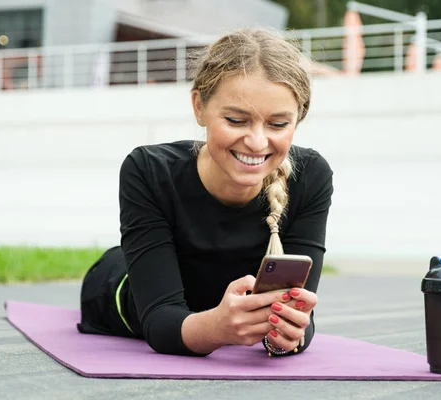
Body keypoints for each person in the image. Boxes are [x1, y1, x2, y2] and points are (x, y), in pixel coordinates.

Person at [77, 28, 334, 358]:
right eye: (235, 120)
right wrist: (217, 328)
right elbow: (160, 322)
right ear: (199, 106)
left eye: (278, 124)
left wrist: (286, 335)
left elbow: (301, 320)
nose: (257, 142)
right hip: (121, 288)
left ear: (298, 118)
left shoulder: (311, 175)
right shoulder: (149, 170)